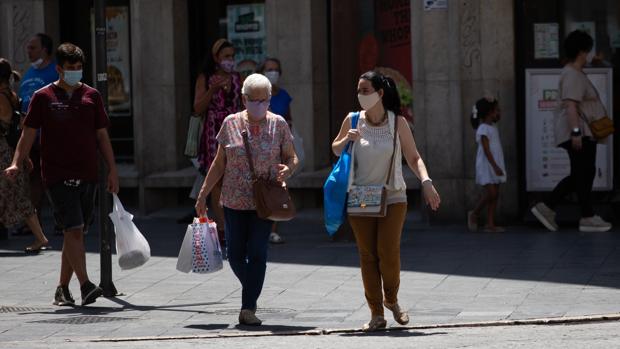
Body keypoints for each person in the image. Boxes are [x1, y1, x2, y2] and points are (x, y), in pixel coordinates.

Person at [4, 43, 120, 306]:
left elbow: (102, 135)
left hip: (89, 173)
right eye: (71, 69)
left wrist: (112, 169)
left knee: (74, 232)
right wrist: (16, 162)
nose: (76, 73)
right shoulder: (43, 97)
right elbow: (28, 132)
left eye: (79, 68)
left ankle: (61, 288)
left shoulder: (92, 96)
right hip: (57, 175)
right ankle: (86, 285)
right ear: (59, 69)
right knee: (74, 228)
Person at [331, 71, 440, 331]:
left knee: (388, 253)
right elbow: (335, 148)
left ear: (380, 93)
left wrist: (426, 182)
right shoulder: (353, 119)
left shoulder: (397, 122)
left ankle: (391, 299)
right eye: (358, 90)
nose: (360, 95)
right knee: (367, 255)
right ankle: (376, 313)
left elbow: (414, 158)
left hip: (393, 196)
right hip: (360, 197)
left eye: (366, 90)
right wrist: (348, 138)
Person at [195, 73, 298, 326]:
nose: (260, 104)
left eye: (265, 100)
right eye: (255, 100)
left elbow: (292, 157)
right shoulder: (230, 123)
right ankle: (252, 285)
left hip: (265, 202)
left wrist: (289, 169)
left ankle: (247, 307)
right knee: (235, 255)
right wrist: (203, 194)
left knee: (258, 253)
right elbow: (219, 163)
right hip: (233, 200)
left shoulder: (279, 124)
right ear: (244, 99)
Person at [531, 30, 612, 233]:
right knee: (582, 174)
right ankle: (577, 214)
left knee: (583, 173)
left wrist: (597, 62)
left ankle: (565, 211)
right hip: (579, 132)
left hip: (582, 132)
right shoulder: (572, 74)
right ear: (581, 51)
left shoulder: (574, 72)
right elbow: (571, 105)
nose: (588, 55)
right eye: (587, 51)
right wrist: (576, 132)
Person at [191, 39, 242, 246]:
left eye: (232, 56)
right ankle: (222, 229)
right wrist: (212, 90)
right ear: (216, 58)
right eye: (226, 57)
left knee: (234, 178)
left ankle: (234, 226)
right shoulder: (205, 78)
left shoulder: (238, 78)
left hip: (236, 132)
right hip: (214, 133)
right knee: (216, 181)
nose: (230, 61)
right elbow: (197, 107)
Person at [0, 58, 49, 252]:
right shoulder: (9, 94)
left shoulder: (2, 96)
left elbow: (5, 124)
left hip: (3, 153)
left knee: (17, 196)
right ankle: (40, 237)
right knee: (16, 196)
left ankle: (41, 237)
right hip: (9, 152)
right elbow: (18, 126)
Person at [18, 33, 60, 237]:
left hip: (50, 135)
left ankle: (63, 219)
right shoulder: (28, 73)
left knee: (54, 177)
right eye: (28, 47)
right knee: (33, 179)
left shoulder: (55, 72)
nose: (29, 51)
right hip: (29, 135)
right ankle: (33, 224)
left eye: (33, 47)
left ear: (44, 49)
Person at [257, 57, 293, 244]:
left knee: (277, 190)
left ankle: (272, 229)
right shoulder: (257, 96)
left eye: (276, 69)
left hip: (278, 148)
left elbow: (289, 119)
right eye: (269, 69)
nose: (273, 73)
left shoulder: (284, 95)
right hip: (258, 150)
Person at [467, 97, 506, 233]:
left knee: (495, 194)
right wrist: (495, 166)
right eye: (497, 111)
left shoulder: (493, 127)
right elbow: (486, 150)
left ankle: (490, 223)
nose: (499, 113)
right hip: (487, 165)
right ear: (489, 112)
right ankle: (475, 213)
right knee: (491, 193)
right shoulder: (483, 128)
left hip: (495, 164)